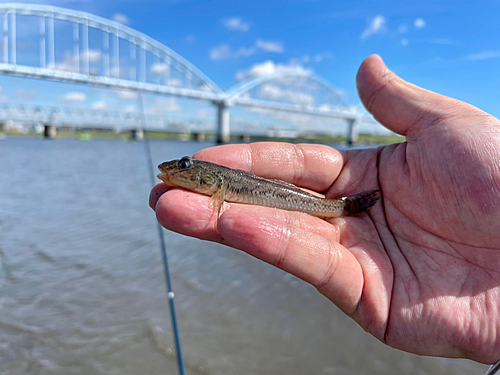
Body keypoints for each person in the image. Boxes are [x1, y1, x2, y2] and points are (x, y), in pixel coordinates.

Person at [149, 54, 500, 366]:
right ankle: (343, 208)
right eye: (184, 167)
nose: (178, 171)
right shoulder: (209, 178)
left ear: (210, 180)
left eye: (185, 168)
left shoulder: (212, 177)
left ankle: (344, 208)